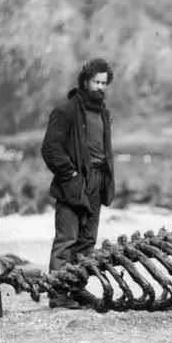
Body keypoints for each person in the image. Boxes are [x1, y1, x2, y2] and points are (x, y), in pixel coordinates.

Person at [40, 58, 116, 309]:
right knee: (67, 239)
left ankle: (76, 289)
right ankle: (58, 294)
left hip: (97, 181)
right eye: (96, 81)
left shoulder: (103, 113)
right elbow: (51, 148)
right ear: (85, 81)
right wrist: (70, 175)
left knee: (86, 241)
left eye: (104, 82)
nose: (100, 87)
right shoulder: (66, 111)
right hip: (73, 183)